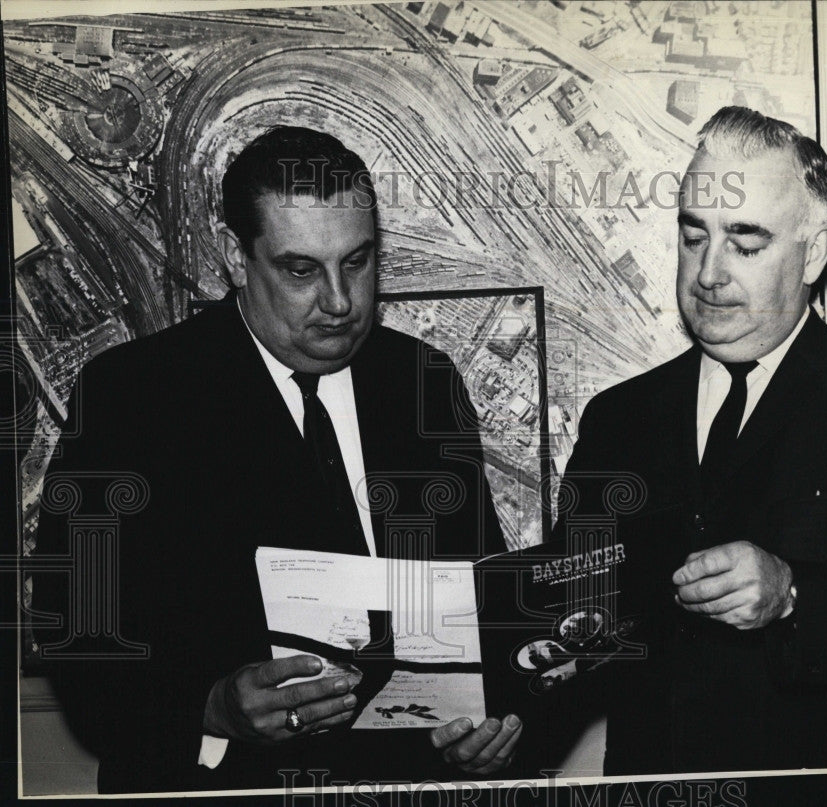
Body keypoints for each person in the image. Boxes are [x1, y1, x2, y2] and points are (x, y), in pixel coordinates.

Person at [33, 127, 520, 792]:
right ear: (235, 257)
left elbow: (478, 601)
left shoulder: (424, 381)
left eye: (358, 261)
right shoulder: (131, 397)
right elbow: (77, 639)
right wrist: (211, 708)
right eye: (301, 270)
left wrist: (491, 729)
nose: (341, 301)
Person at [555, 106, 827, 774]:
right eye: (693, 235)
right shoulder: (618, 417)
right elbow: (573, 619)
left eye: (745, 242)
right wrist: (505, 710)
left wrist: (794, 595)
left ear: (812, 252)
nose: (708, 272)